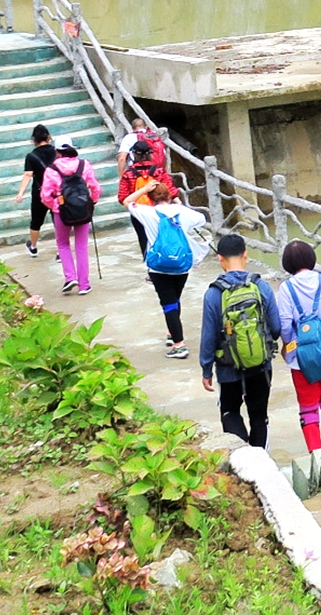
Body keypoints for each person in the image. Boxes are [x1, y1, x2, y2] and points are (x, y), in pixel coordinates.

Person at [200, 233, 280, 448]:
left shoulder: (213, 294)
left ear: (220, 258)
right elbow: (276, 327)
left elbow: (208, 337)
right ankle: (260, 458)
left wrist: (206, 369)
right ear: (246, 254)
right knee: (259, 415)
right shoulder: (261, 286)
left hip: (228, 370)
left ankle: (241, 456)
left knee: (230, 412)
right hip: (261, 365)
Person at [275, 240, 321, 453]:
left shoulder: (287, 288)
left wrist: (288, 346)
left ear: (287, 264)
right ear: (312, 258)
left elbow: (285, 323)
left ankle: (316, 454)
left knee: (308, 407)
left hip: (302, 360)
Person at [125, 180, 209, 360]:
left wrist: (144, 189)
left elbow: (127, 201)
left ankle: (179, 345)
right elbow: (201, 219)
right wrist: (179, 203)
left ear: (150, 198)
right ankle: (172, 333)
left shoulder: (146, 212)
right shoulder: (183, 212)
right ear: (169, 196)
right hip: (181, 265)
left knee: (168, 304)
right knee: (174, 299)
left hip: (158, 267)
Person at [39, 138, 100, 295]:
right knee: (81, 245)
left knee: (63, 244)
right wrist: (91, 202)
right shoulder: (83, 164)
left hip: (62, 210)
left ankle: (70, 277)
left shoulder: (51, 169)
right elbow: (95, 187)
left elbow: (45, 195)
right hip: (82, 209)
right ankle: (84, 285)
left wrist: (55, 206)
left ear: (57, 151)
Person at [118, 121, 179, 269]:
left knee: (143, 237)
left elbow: (122, 197)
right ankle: (164, 261)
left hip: (137, 210)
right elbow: (169, 188)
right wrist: (177, 201)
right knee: (159, 235)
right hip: (158, 208)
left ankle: (150, 266)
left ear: (134, 155)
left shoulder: (129, 174)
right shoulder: (158, 171)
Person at [13, 124, 57, 258]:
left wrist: (20, 193)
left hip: (40, 193)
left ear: (34, 139)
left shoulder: (31, 156)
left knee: (36, 221)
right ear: (48, 137)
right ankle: (60, 250)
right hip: (57, 191)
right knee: (58, 220)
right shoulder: (57, 151)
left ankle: (33, 247)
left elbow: (28, 175)